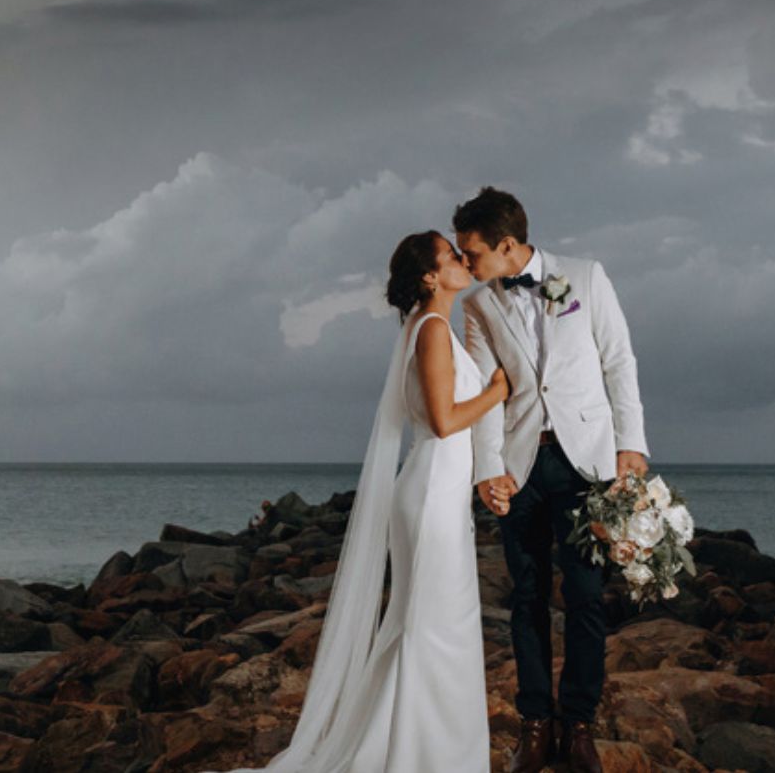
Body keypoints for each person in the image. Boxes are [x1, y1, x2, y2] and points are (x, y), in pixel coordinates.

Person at [209, 230, 508, 773]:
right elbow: (444, 422)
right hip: (432, 494)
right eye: (451, 256)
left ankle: (420, 750)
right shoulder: (434, 330)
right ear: (430, 276)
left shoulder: (431, 327)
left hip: (436, 491)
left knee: (427, 624)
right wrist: (497, 392)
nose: (464, 260)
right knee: (436, 627)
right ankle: (422, 757)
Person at [455, 187, 649, 773]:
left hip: (586, 460)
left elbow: (618, 359)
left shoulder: (585, 278)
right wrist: (487, 470)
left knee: (586, 598)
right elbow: (485, 396)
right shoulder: (477, 306)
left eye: (472, 253)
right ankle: (535, 726)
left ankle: (579, 725)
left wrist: (630, 444)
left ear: (507, 245)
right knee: (527, 598)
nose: (466, 265)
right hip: (520, 467)